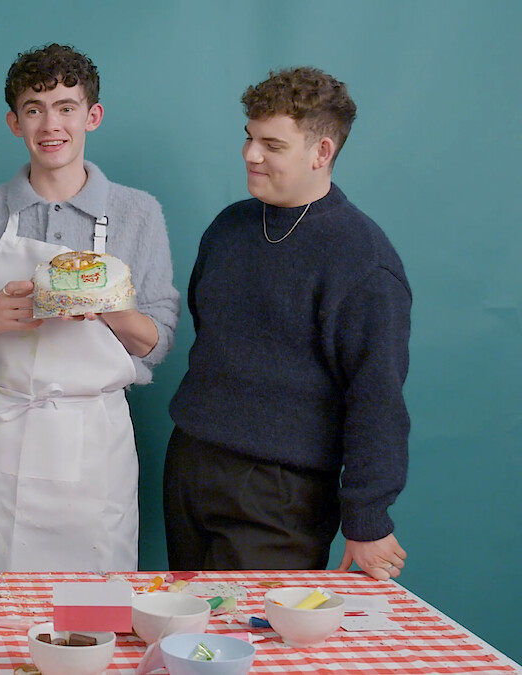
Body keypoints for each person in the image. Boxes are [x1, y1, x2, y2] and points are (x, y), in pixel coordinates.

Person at [165, 67, 410, 580]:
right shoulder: (229, 227)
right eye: (250, 138)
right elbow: (207, 323)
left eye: (271, 144)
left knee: (251, 649)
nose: (250, 155)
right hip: (191, 463)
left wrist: (366, 519)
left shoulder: (362, 261)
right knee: (185, 636)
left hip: (280, 492)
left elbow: (376, 394)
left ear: (321, 152)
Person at [0, 44, 180, 572]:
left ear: (91, 116)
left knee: (96, 603)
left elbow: (157, 340)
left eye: (67, 107)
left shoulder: (136, 213)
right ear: (14, 122)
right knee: (2, 596)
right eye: (34, 109)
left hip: (95, 435)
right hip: (7, 429)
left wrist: (110, 306)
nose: (51, 124)